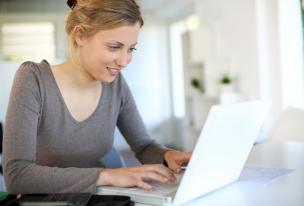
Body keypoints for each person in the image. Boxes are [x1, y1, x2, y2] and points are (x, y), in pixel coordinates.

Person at [3, 0, 191, 194]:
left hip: (100, 198)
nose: (125, 61)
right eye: (114, 47)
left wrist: (168, 155)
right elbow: (17, 175)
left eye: (131, 49)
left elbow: (144, 146)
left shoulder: (115, 84)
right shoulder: (33, 79)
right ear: (80, 35)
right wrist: (107, 175)